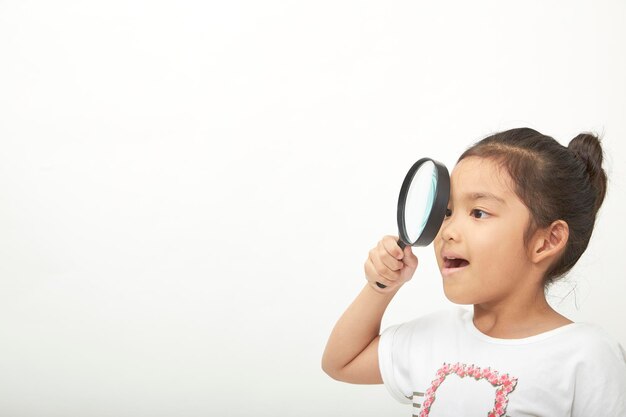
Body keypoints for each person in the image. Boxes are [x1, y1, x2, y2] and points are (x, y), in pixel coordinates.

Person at [322, 128, 626, 416]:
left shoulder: (586, 355)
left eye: (479, 213)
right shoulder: (431, 338)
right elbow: (340, 363)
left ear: (547, 240)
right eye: (448, 212)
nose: (448, 230)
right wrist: (380, 288)